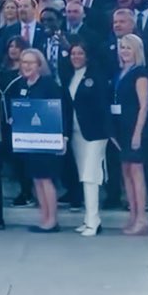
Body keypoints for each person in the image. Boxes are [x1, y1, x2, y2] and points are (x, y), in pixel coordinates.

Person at [61, 39, 113, 236]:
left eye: (80, 53)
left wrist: (109, 132)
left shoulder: (96, 76)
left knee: (91, 175)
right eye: (73, 54)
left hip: (95, 133)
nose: (76, 57)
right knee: (84, 174)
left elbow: (102, 105)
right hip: (76, 133)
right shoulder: (70, 76)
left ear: (87, 56)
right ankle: (88, 218)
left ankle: (94, 220)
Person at [19, 48, 70, 233]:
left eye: (31, 63)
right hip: (30, 141)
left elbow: (61, 111)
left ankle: (52, 220)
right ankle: (44, 217)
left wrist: (63, 137)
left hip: (48, 140)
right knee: (37, 179)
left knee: (46, 178)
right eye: (24, 62)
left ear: (39, 65)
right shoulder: (23, 85)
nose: (27, 66)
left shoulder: (49, 85)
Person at [114, 33, 148, 235]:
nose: (124, 51)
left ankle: (142, 218)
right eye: (122, 47)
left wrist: (137, 133)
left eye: (128, 48)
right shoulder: (120, 72)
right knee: (126, 172)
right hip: (121, 128)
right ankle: (133, 215)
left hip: (135, 128)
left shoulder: (140, 73)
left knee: (136, 173)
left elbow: (144, 105)